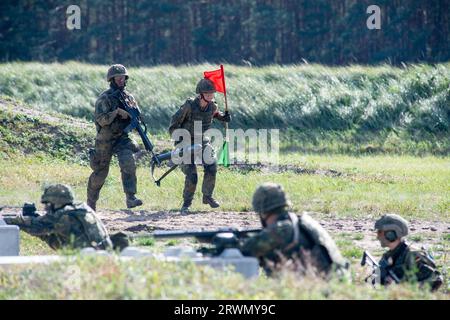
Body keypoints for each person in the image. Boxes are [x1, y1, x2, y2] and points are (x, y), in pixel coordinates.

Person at [240, 182, 349, 278]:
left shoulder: (282, 229)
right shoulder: (297, 222)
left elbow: (246, 249)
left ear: (263, 213)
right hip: (337, 281)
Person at [168, 78, 231, 215]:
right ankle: (186, 204)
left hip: (202, 141)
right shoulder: (189, 105)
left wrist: (223, 118)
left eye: (212, 93)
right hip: (185, 141)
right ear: (200, 94)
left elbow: (215, 114)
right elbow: (175, 121)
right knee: (192, 175)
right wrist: (177, 140)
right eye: (207, 93)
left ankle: (207, 197)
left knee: (212, 166)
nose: (210, 95)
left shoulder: (213, 106)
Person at [87, 64, 143, 211]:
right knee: (100, 172)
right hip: (105, 139)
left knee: (128, 163)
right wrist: (116, 112)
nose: (121, 80)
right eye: (117, 78)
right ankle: (91, 203)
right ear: (111, 80)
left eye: (123, 78)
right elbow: (101, 120)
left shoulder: (128, 97)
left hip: (122, 137)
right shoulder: (104, 98)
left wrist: (131, 116)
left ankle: (130, 197)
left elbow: (137, 115)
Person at [2, 184, 118, 251]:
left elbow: (35, 227)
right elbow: (48, 232)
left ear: (56, 202)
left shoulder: (64, 215)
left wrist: (6, 220)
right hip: (102, 254)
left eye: (48, 203)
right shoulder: (81, 208)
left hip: (90, 259)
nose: (46, 207)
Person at [374, 214, 443, 291]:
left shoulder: (413, 255)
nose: (377, 237)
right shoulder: (388, 256)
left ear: (391, 234)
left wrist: (403, 288)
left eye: (380, 232)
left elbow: (436, 280)